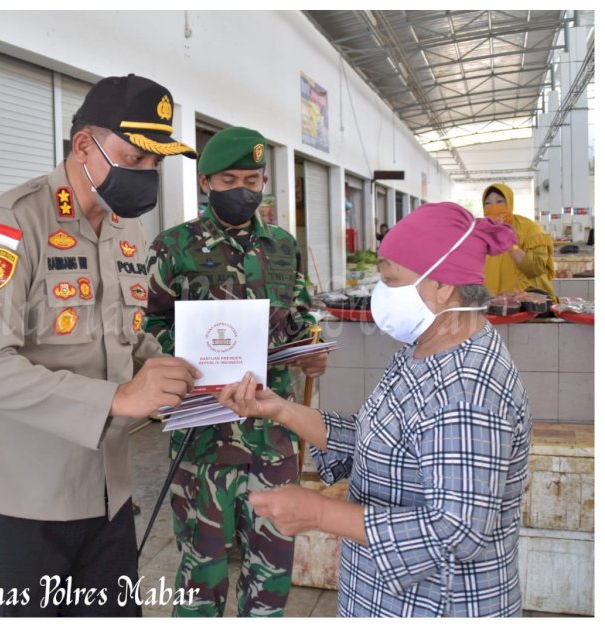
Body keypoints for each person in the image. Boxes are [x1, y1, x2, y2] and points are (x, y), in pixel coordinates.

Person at [0, 74, 201, 617]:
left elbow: (124, 335)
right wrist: (117, 399)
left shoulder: (124, 231)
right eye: (135, 158)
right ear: (84, 145)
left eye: (156, 164)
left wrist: (173, 369)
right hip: (18, 503)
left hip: (106, 497)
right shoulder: (14, 223)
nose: (147, 176)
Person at [218, 201, 532, 617]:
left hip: (435, 606)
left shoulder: (467, 388)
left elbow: (455, 531)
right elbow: (377, 438)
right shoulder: (424, 349)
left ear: (442, 286)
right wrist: (280, 410)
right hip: (386, 600)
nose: (380, 293)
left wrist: (320, 512)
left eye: (391, 280)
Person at [144, 126, 327, 617]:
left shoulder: (284, 247)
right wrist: (183, 357)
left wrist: (310, 348)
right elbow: (148, 326)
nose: (243, 189)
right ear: (206, 183)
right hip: (202, 438)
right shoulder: (174, 247)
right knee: (200, 575)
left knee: (271, 574)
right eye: (229, 179)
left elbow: (300, 317)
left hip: (272, 438)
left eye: (252, 178)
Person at [482, 183, 556, 300]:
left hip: (528, 300)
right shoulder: (482, 232)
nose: (493, 207)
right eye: (488, 203)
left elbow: (536, 269)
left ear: (509, 203)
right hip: (494, 302)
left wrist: (511, 245)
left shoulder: (530, 228)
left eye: (500, 201)